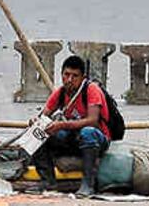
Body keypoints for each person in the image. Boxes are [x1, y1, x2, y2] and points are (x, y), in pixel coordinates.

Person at [31, 55, 112, 197]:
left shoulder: (92, 90)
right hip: (73, 137)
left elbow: (92, 120)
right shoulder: (60, 93)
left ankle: (88, 184)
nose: (69, 80)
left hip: (96, 138)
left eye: (75, 76)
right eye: (66, 75)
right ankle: (48, 182)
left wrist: (62, 125)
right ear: (61, 74)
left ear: (83, 77)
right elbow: (43, 116)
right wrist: (35, 122)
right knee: (40, 133)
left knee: (88, 132)